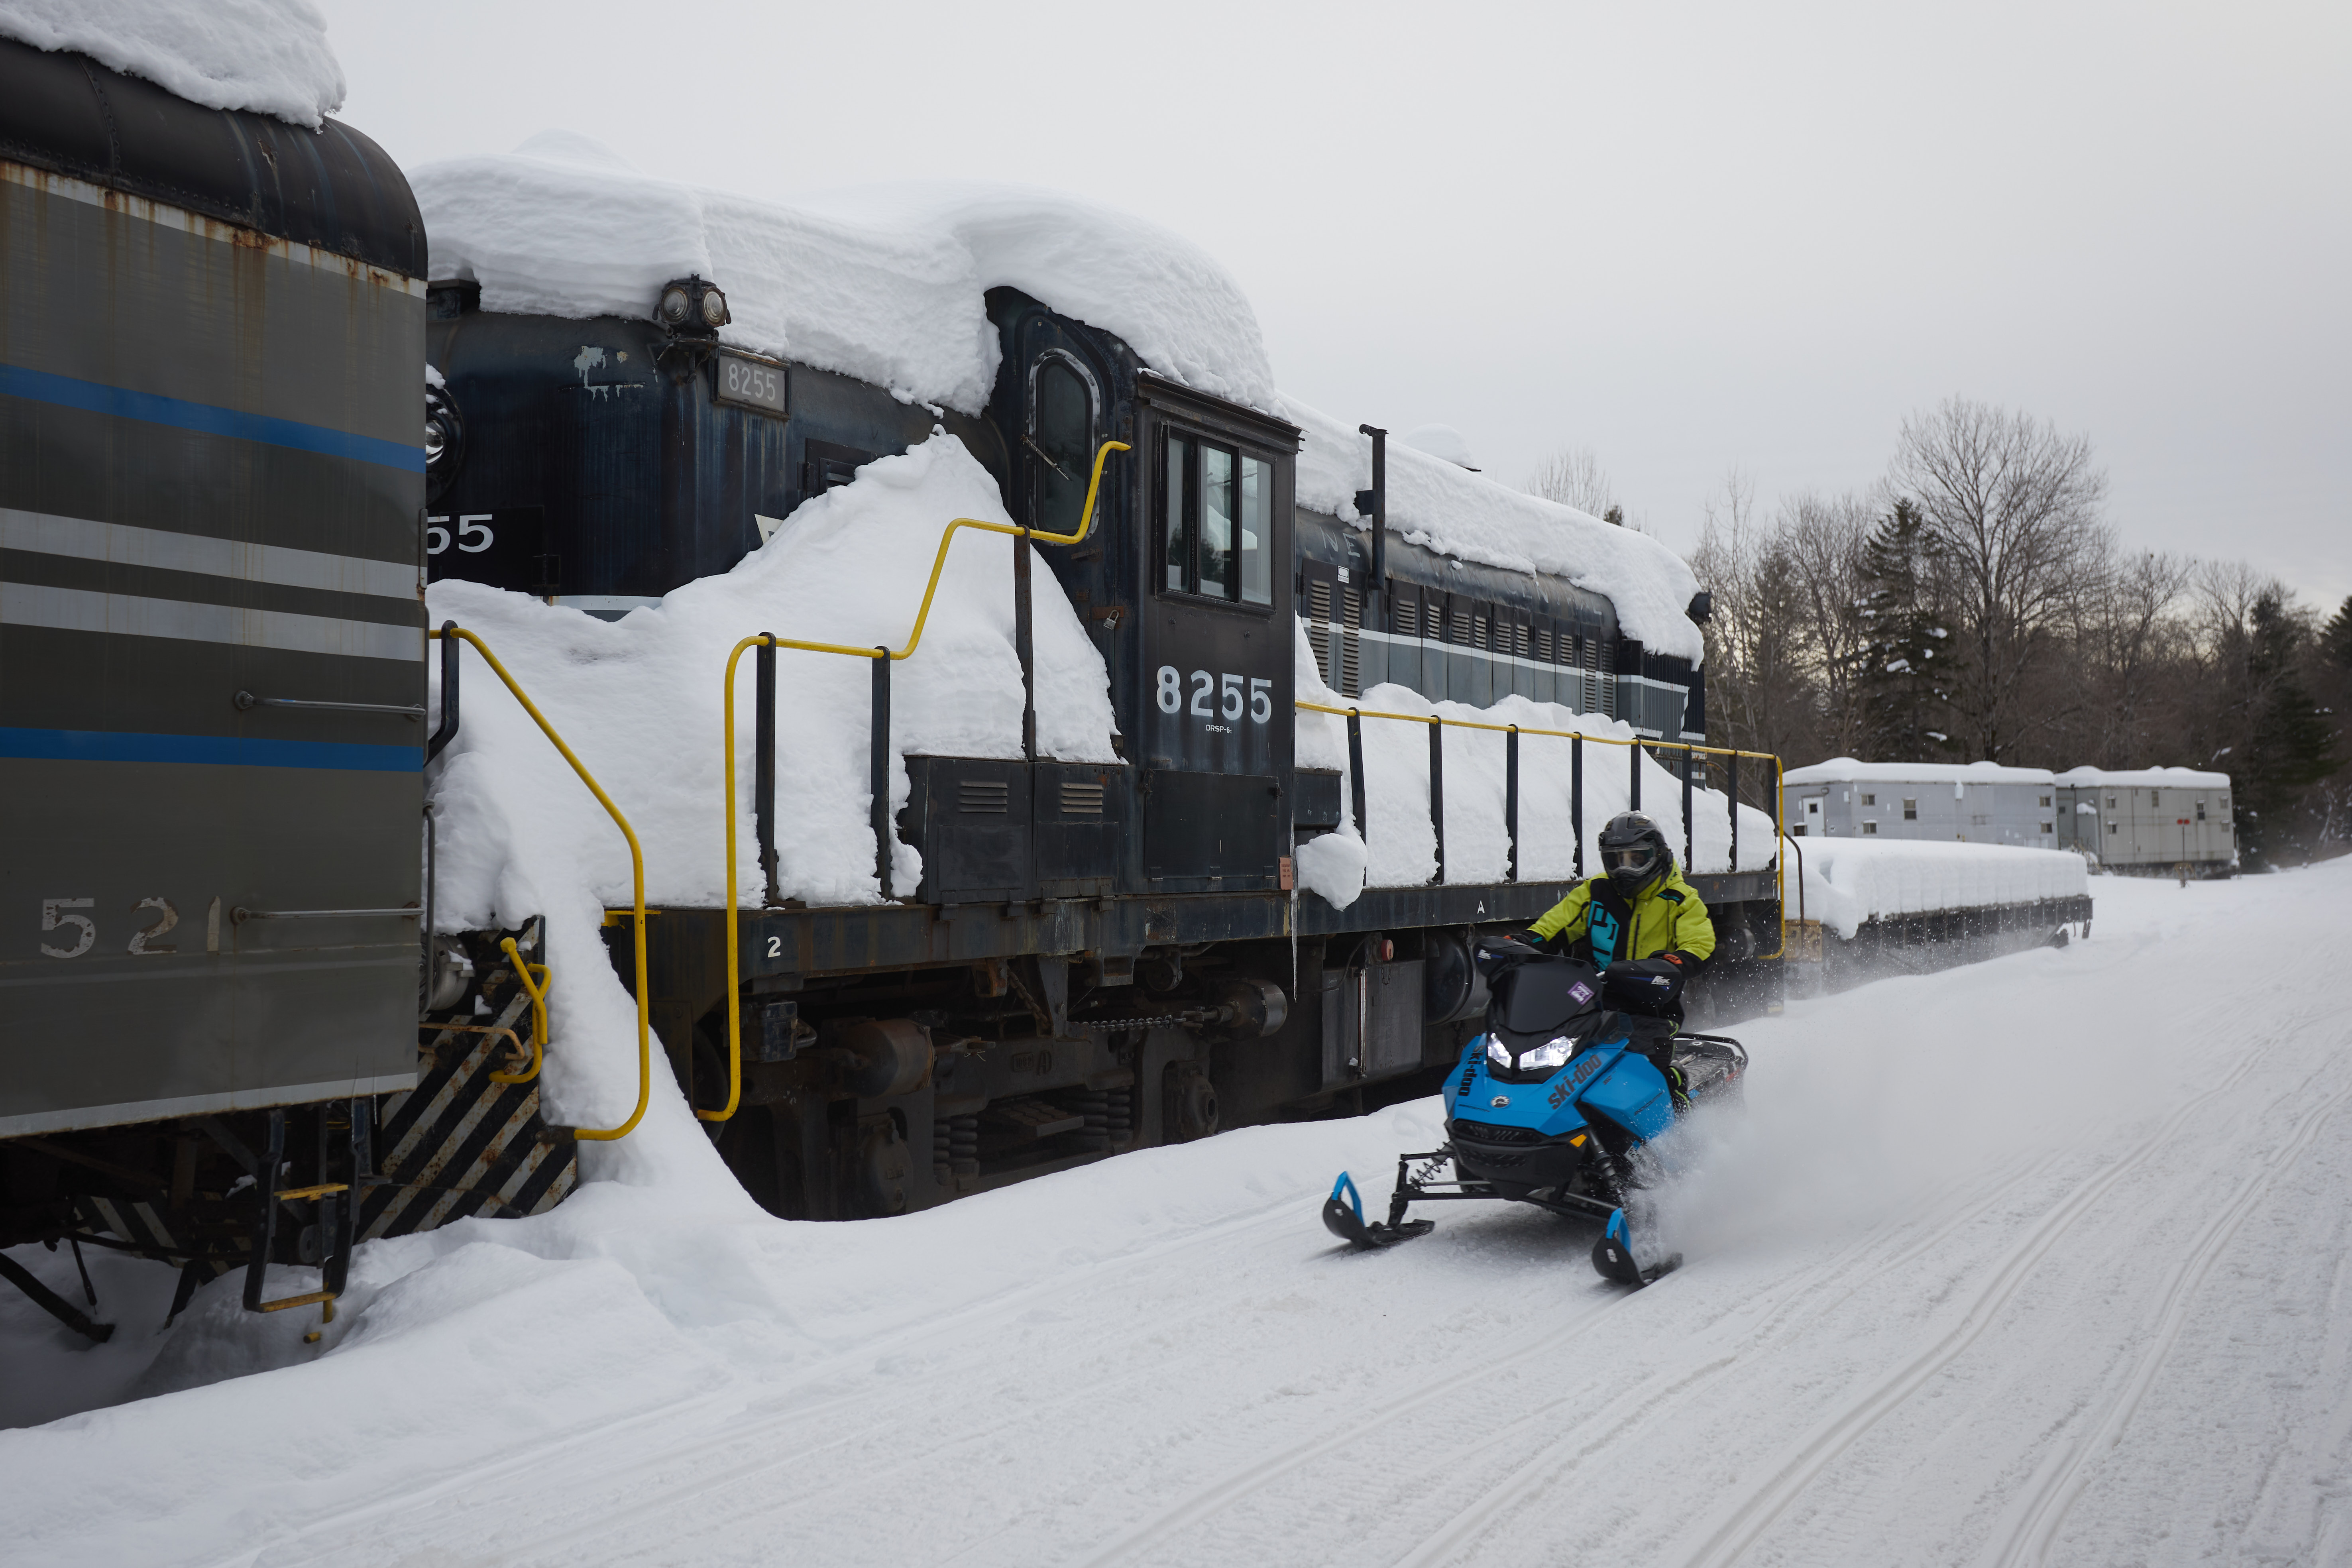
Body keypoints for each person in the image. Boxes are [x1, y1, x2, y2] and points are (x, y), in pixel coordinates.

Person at [1515, 811, 1715, 1110]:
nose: (1625, 869)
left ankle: (1679, 1117)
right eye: (1615, 860)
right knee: (1542, 1059)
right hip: (1587, 1000)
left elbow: (1700, 943)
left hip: (1651, 1008)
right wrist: (1524, 943)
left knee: (1649, 1068)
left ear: (1657, 855)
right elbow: (1556, 924)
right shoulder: (1596, 891)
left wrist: (1672, 963)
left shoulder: (1680, 899)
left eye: (1636, 859)